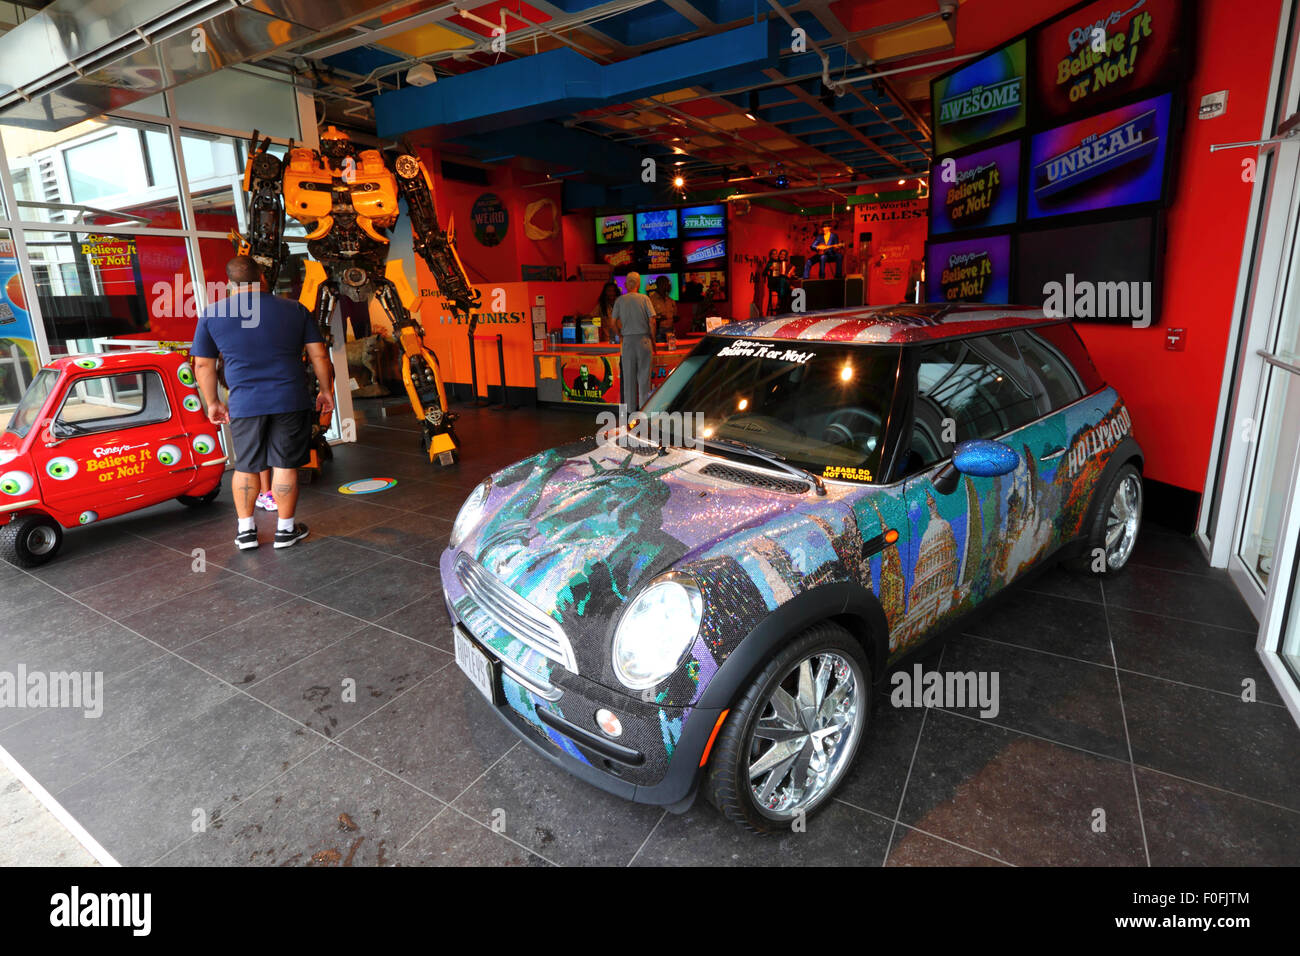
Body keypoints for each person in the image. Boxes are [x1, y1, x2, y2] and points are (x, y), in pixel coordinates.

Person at [192, 256, 334, 551]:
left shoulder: (212, 315)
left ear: (230, 283)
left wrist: (213, 402)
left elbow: (203, 365)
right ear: (262, 277)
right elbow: (319, 354)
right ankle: (285, 531)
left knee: (245, 466)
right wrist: (326, 390)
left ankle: (246, 532)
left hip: (244, 404)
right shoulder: (295, 309)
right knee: (285, 464)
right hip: (289, 399)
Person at [611, 271, 656, 409]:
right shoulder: (645, 299)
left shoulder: (619, 301)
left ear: (626, 284)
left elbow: (613, 323)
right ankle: (644, 408)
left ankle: (630, 410)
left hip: (627, 342)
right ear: (639, 284)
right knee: (644, 378)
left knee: (628, 378)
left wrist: (620, 335)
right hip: (644, 340)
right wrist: (653, 340)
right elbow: (652, 321)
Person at [648, 275, 677, 344]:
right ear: (659, 285)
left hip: (670, 331)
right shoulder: (651, 300)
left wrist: (675, 318)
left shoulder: (671, 300)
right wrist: (659, 318)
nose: (668, 286)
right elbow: (648, 319)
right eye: (666, 284)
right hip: (658, 332)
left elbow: (674, 315)